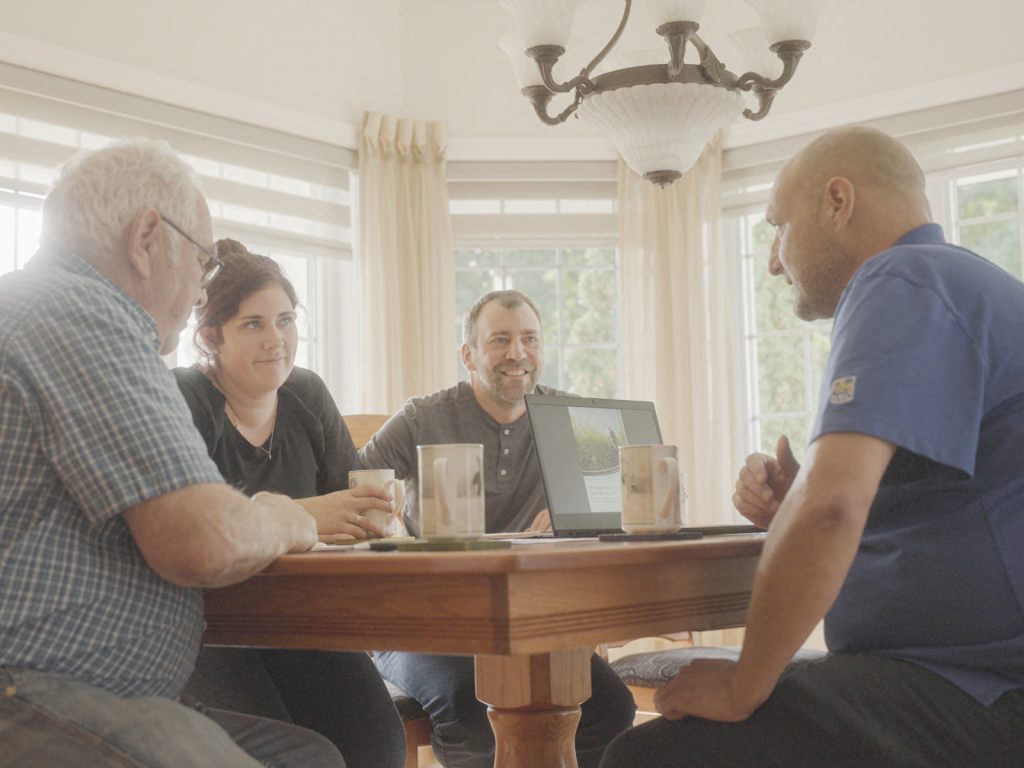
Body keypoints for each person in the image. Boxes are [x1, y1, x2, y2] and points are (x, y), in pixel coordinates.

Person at [600, 126, 1024, 768]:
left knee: (647, 756)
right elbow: (934, 506)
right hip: (974, 679)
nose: (773, 260)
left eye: (778, 227)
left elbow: (833, 508)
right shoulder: (955, 283)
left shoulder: (900, 277)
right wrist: (793, 503)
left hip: (983, 692)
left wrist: (745, 683)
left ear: (837, 202)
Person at [0, 140, 346, 768]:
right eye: (203, 259)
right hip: (32, 686)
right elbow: (203, 539)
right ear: (147, 239)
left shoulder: (35, 304)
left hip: (86, 687)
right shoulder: (85, 313)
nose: (199, 288)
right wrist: (285, 516)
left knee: (311, 755)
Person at [361, 289, 637, 768]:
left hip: (528, 623)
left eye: (529, 339)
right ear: (468, 355)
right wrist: (382, 512)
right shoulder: (421, 418)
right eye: (500, 340)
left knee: (611, 706)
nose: (518, 353)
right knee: (471, 702)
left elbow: (633, 498)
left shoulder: (572, 419)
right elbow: (352, 488)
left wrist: (581, 517)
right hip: (425, 622)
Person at [173, 239, 406, 768]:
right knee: (302, 754)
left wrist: (375, 514)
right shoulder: (183, 398)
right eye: (253, 324)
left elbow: (358, 513)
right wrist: (308, 515)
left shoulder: (308, 395)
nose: (276, 339)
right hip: (211, 630)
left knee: (379, 747)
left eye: (285, 319)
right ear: (211, 336)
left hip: (304, 620)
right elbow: (191, 530)